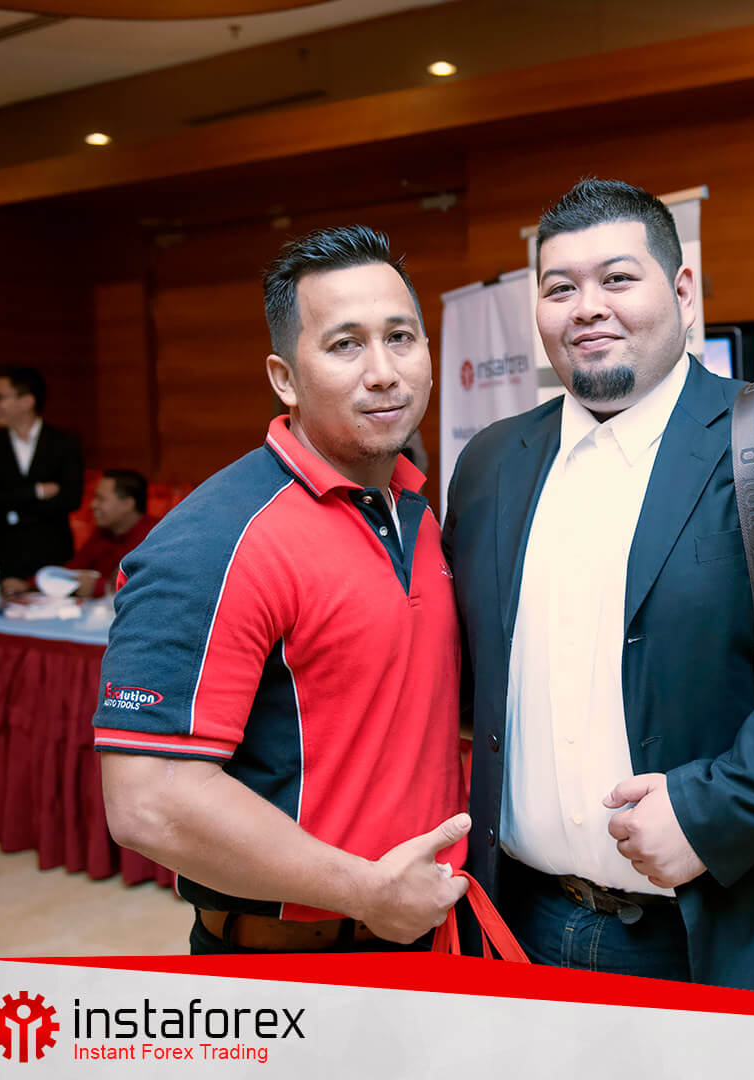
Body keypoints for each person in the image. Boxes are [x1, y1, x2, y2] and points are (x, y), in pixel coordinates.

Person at [443, 179, 754, 990]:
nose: (587, 307)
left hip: (716, 931)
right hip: (516, 922)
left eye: (617, 278)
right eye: (559, 288)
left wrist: (714, 811)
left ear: (682, 292)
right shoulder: (491, 463)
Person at [95, 225, 470, 954]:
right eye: (345, 345)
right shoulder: (213, 538)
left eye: (400, 337)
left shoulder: (417, 514)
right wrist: (366, 892)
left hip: (434, 932)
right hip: (296, 954)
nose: (383, 371)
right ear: (285, 378)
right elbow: (147, 801)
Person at [0, 365, 83, 593]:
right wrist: (35, 492)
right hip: (6, 558)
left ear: (27, 401)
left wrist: (9, 502)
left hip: (54, 556)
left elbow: (71, 499)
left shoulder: (64, 443)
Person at [66, 470, 158, 597]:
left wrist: (100, 587)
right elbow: (73, 569)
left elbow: (150, 589)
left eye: (101, 498)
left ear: (127, 504)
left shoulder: (155, 536)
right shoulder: (103, 532)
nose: (93, 504)